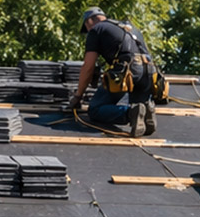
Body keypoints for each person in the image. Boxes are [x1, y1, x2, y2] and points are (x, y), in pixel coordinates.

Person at [67, 8, 157, 137]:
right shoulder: (130, 27)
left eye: (86, 28)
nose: (87, 32)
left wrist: (78, 96)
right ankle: (146, 109)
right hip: (148, 73)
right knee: (139, 105)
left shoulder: (96, 30)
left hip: (126, 72)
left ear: (90, 21)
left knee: (95, 110)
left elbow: (88, 66)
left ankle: (130, 113)